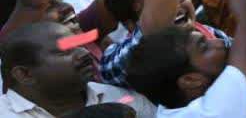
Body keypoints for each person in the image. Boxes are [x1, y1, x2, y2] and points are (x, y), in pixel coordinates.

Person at [0, 21, 156, 116]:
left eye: (80, 45)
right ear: (24, 74)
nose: (85, 53)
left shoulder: (119, 98)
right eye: (66, 51)